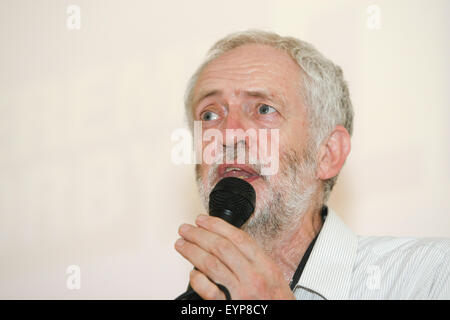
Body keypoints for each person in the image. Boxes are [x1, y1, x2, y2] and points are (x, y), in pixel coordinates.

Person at [174, 30, 449, 300]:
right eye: (209, 114)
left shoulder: (431, 277)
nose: (228, 133)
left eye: (263, 109)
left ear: (327, 153)